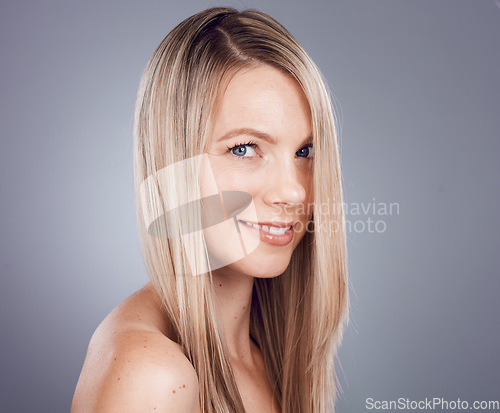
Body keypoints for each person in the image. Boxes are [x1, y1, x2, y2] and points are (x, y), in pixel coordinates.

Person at [72, 6, 348, 413]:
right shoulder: (150, 375)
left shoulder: (274, 357)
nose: (293, 191)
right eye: (244, 148)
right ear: (173, 163)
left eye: (304, 151)